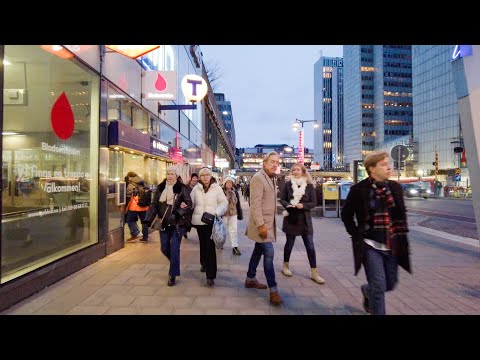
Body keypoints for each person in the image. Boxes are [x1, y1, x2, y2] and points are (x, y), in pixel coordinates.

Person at [341, 150, 412, 315]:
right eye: (384, 164)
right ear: (371, 168)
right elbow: (346, 215)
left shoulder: (395, 188)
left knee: (390, 284)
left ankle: (367, 290)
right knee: (379, 287)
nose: (389, 167)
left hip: (392, 243)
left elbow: (400, 215)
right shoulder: (359, 190)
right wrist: (356, 234)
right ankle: (374, 295)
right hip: (370, 245)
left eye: (389, 164)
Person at [245, 151, 283, 305]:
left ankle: (250, 278)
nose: (275, 164)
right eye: (272, 161)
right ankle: (273, 290)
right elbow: (255, 204)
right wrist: (261, 225)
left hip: (268, 223)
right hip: (262, 225)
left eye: (277, 162)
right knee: (269, 254)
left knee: (258, 251)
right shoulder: (258, 178)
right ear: (264, 163)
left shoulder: (271, 178)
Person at [144, 166, 192, 286]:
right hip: (164, 223)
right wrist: (148, 219)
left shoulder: (182, 188)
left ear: (176, 175)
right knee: (164, 248)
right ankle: (174, 263)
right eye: (168, 173)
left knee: (175, 248)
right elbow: (154, 204)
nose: (170, 176)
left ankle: (172, 275)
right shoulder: (160, 188)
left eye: (172, 174)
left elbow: (189, 204)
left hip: (178, 224)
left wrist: (177, 213)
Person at [279, 163, 325, 284]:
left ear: (303, 171)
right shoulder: (288, 185)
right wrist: (287, 204)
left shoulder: (309, 186)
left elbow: (314, 202)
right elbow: (282, 199)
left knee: (310, 245)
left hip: (305, 219)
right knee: (289, 244)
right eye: (293, 170)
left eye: (298, 169)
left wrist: (303, 205)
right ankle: (285, 266)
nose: (295, 171)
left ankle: (314, 272)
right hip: (291, 218)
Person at [190, 167, 228, 286]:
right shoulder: (196, 188)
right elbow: (190, 202)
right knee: (203, 243)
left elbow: (224, 202)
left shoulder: (217, 188)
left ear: (211, 176)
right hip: (199, 221)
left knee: (210, 247)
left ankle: (210, 275)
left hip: (211, 222)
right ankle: (204, 263)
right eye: (203, 175)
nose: (205, 177)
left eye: (207, 175)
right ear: (200, 177)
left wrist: (217, 212)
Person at [222, 176, 243, 255]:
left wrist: (239, 214)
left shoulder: (235, 192)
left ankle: (235, 247)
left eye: (231, 183)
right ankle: (220, 244)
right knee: (222, 231)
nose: (229, 184)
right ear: (225, 183)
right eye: (228, 182)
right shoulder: (221, 192)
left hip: (233, 214)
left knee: (233, 231)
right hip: (223, 214)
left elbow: (238, 204)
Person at [125, 178, 150, 242]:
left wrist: (126, 208)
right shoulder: (146, 187)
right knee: (144, 222)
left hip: (134, 207)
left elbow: (130, 197)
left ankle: (134, 234)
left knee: (130, 220)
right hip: (144, 207)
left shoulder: (133, 187)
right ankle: (145, 237)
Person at [183, 173, 199, 239]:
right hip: (188, 208)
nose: (194, 181)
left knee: (197, 223)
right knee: (188, 223)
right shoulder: (186, 187)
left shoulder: (198, 188)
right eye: (193, 179)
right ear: (191, 179)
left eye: (196, 179)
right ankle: (185, 231)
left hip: (196, 208)